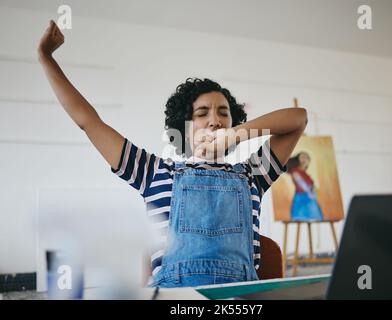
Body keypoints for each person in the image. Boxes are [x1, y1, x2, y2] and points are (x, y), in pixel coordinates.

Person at [38, 20, 308, 287]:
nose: (215, 121)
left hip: (238, 298)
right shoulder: (152, 172)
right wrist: (46, 58)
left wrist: (236, 134)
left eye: (223, 114)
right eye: (202, 114)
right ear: (184, 127)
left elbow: (298, 119)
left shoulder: (253, 174)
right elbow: (88, 121)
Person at [286, 152, 324, 221]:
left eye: (306, 157)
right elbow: (301, 183)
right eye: (302, 157)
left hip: (310, 197)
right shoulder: (295, 171)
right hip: (302, 197)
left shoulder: (305, 173)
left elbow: (311, 185)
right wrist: (309, 192)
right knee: (301, 216)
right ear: (298, 159)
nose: (304, 159)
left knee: (315, 216)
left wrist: (314, 190)